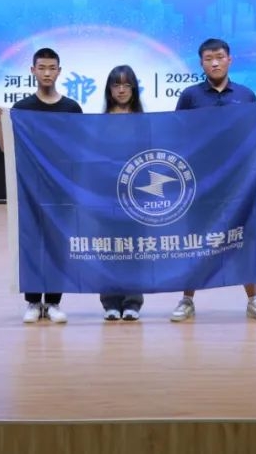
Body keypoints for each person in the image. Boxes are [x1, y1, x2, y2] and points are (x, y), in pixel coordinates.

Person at [169, 38, 256, 323]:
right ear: (201, 63)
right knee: (194, 239)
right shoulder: (190, 96)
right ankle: (187, 299)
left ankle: (253, 299)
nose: (214, 63)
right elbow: (176, 132)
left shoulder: (245, 95)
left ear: (230, 60)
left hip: (239, 180)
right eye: (208, 58)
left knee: (244, 237)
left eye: (219, 57)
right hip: (200, 180)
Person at [0, 47, 83, 325]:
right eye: (41, 68)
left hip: (61, 189)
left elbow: (80, 150)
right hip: (30, 188)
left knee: (58, 244)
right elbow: (8, 150)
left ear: (59, 71)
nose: (46, 73)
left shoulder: (71, 109)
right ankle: (33, 302)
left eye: (51, 68)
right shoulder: (22, 109)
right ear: (32, 71)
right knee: (31, 242)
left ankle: (53, 302)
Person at [98, 65, 146, 322]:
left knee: (134, 249)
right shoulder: (99, 123)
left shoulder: (145, 122)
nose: (121, 90)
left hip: (136, 195)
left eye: (127, 85)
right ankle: (110, 302)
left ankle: (132, 302)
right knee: (109, 249)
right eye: (116, 85)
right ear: (109, 89)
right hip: (106, 195)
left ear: (134, 89)